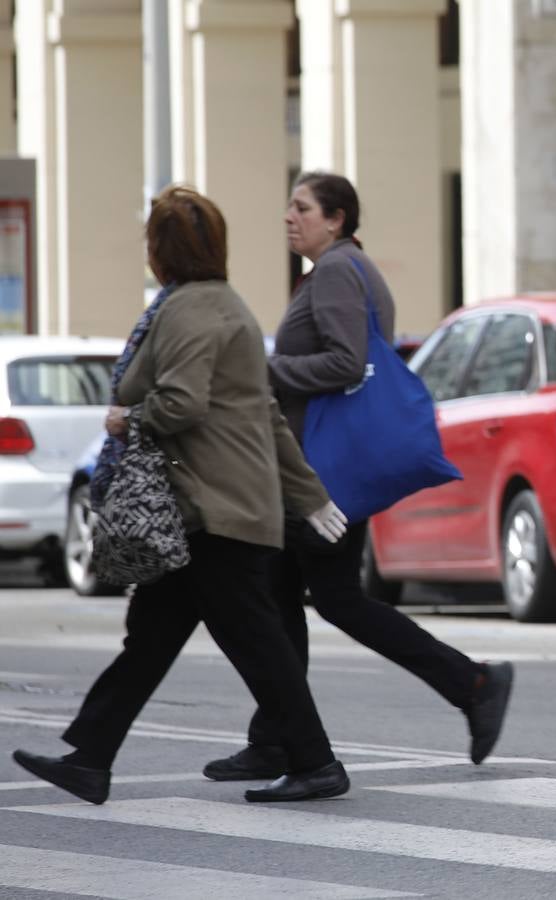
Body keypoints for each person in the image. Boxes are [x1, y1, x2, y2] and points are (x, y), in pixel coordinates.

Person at [12, 186, 352, 805]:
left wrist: (126, 418)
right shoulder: (222, 305)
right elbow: (267, 416)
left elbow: (184, 403)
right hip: (211, 508)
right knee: (157, 636)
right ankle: (91, 757)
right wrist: (309, 497)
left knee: (255, 642)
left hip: (213, 511)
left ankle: (316, 762)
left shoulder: (194, 309)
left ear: (162, 251)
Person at [203, 172, 512, 782]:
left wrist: (267, 371)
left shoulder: (339, 272)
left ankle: (472, 683)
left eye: (302, 207)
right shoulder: (347, 268)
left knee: (327, 600)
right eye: (289, 205)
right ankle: (274, 739)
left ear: (336, 218)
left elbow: (347, 364)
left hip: (325, 470)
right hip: (325, 463)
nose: (289, 217)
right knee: (282, 596)